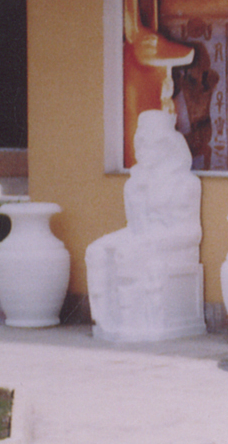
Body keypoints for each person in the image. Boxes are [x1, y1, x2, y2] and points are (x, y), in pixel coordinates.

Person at [86, 110, 204, 341]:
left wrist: (148, 241)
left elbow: (192, 233)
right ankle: (107, 321)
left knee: (129, 251)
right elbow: (134, 227)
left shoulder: (186, 183)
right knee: (95, 251)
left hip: (173, 246)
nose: (142, 151)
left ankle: (132, 320)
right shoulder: (133, 185)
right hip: (144, 238)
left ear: (167, 147)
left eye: (149, 145)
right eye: (140, 145)